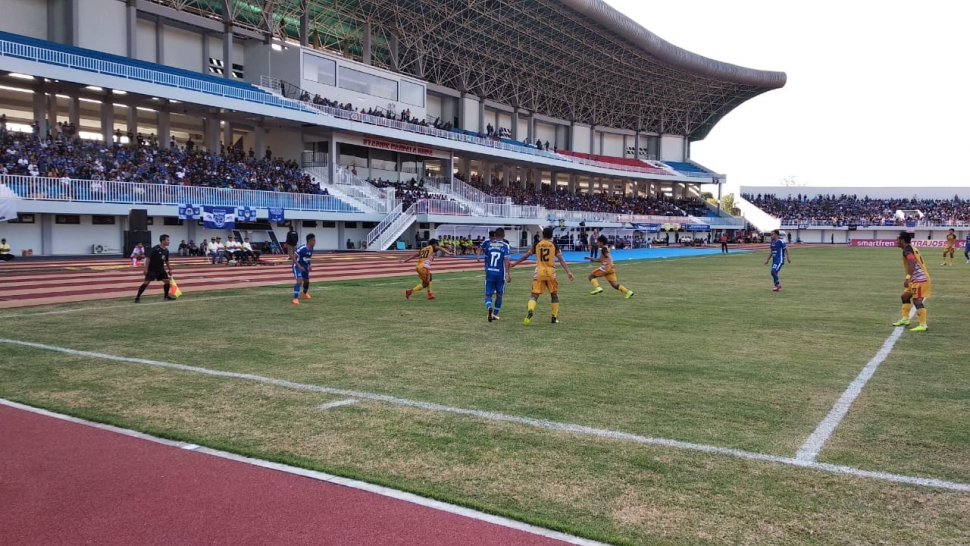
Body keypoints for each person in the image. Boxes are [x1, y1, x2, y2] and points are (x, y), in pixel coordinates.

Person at [510, 226, 575, 325]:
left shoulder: (537, 244)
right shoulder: (554, 245)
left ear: (542, 235)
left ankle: (530, 310)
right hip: (550, 272)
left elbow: (525, 256)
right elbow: (561, 260)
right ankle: (554, 317)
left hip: (539, 272)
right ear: (551, 236)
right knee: (554, 295)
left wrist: (515, 264)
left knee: (534, 296)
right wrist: (568, 272)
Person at [893, 231, 931, 332]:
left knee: (917, 301)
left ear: (902, 240)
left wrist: (908, 278)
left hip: (920, 279)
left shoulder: (907, 250)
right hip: (915, 279)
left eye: (897, 239)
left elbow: (912, 261)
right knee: (905, 296)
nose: (896, 241)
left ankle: (923, 325)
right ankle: (905, 319)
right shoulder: (910, 248)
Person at [478, 228, 511, 321]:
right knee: (499, 294)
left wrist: (487, 270)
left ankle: (489, 308)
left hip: (490, 273)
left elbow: (487, 260)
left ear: (495, 236)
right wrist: (508, 273)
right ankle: (495, 314)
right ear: (504, 236)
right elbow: (506, 260)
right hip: (500, 274)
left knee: (488, 295)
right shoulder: (505, 246)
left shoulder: (489, 245)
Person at [134, 234, 174, 303]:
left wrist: (170, 269)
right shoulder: (155, 248)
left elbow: (166, 260)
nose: (169, 241)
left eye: (168, 240)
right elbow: (148, 258)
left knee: (167, 282)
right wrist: (145, 269)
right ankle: (137, 298)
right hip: (152, 269)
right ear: (163, 241)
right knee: (146, 283)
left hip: (161, 269)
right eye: (167, 240)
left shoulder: (166, 251)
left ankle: (166, 296)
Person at [291, 233, 315, 305]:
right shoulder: (301, 248)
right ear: (309, 241)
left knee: (307, 281)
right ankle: (295, 298)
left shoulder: (311, 248)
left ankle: (304, 293)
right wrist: (299, 266)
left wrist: (309, 265)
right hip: (297, 266)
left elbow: (308, 258)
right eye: (314, 240)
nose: (315, 242)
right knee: (299, 281)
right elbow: (293, 257)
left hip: (305, 267)